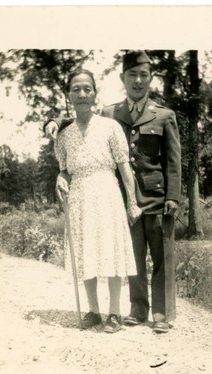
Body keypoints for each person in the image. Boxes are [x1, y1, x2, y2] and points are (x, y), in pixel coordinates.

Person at [52, 51, 181, 334]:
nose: (137, 81)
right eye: (131, 75)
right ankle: (136, 310)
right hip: (119, 198)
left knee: (160, 256)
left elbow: (173, 160)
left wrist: (173, 196)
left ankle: (160, 313)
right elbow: (75, 118)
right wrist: (53, 122)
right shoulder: (112, 112)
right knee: (131, 255)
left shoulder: (164, 115)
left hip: (155, 196)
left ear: (150, 79)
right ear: (123, 79)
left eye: (143, 75)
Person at [54, 68, 141, 334]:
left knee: (111, 251)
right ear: (69, 95)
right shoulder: (64, 135)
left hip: (107, 191)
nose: (82, 94)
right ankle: (93, 311)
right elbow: (64, 168)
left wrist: (132, 202)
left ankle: (114, 312)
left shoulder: (110, 126)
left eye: (87, 89)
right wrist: (60, 176)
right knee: (85, 253)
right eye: (75, 89)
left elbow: (125, 167)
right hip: (79, 195)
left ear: (95, 93)